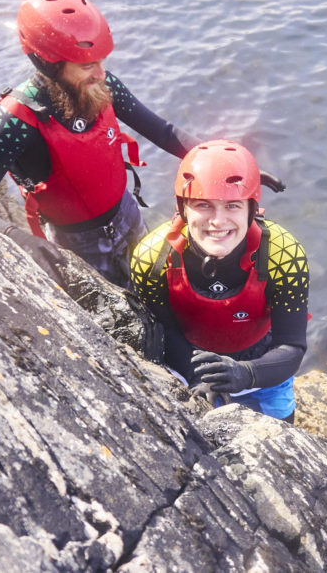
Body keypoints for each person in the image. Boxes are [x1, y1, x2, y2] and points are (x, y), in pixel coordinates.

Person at [0, 0, 284, 287]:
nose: (100, 74)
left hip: (127, 214)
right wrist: (22, 240)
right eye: (86, 67)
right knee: (120, 315)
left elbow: (163, 131)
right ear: (49, 64)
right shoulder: (16, 121)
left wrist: (227, 166)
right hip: (75, 243)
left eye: (101, 63)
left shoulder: (103, 86)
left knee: (159, 286)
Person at [130, 140, 309, 422]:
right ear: (183, 208)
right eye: (203, 205)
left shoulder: (282, 255)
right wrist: (197, 375)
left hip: (264, 366)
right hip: (196, 366)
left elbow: (292, 347)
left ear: (251, 209)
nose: (218, 220)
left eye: (232, 205)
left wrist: (247, 373)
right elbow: (166, 331)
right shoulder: (153, 259)